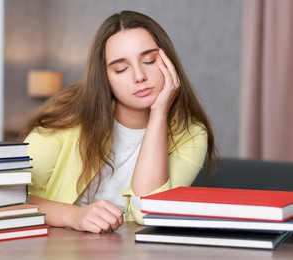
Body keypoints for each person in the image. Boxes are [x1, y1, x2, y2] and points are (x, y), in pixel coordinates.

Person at [20, 10, 218, 234]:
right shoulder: (67, 117)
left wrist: (159, 113)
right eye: (121, 69)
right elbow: (3, 194)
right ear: (105, 78)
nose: (139, 76)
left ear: (169, 63)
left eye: (149, 61)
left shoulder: (191, 134)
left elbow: (148, 211)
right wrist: (73, 216)